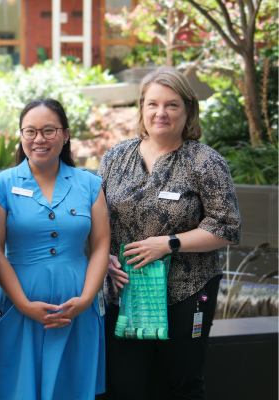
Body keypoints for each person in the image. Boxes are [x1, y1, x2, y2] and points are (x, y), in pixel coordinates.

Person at [98, 66, 241, 399]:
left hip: (187, 291)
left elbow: (227, 226)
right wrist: (102, 256)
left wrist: (170, 244)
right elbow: (94, 219)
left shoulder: (205, 161)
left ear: (187, 109)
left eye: (172, 105)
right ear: (142, 109)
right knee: (124, 384)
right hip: (125, 291)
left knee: (181, 383)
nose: (160, 112)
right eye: (152, 104)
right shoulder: (115, 158)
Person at [0, 98, 110, 400]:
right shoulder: (0, 184)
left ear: (65, 135)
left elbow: (101, 243)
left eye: (48, 130)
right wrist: (24, 304)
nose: (39, 139)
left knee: (72, 388)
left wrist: (86, 298)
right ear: (21, 136)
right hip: (18, 305)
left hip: (77, 306)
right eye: (30, 131)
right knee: (16, 388)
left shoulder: (90, 184)